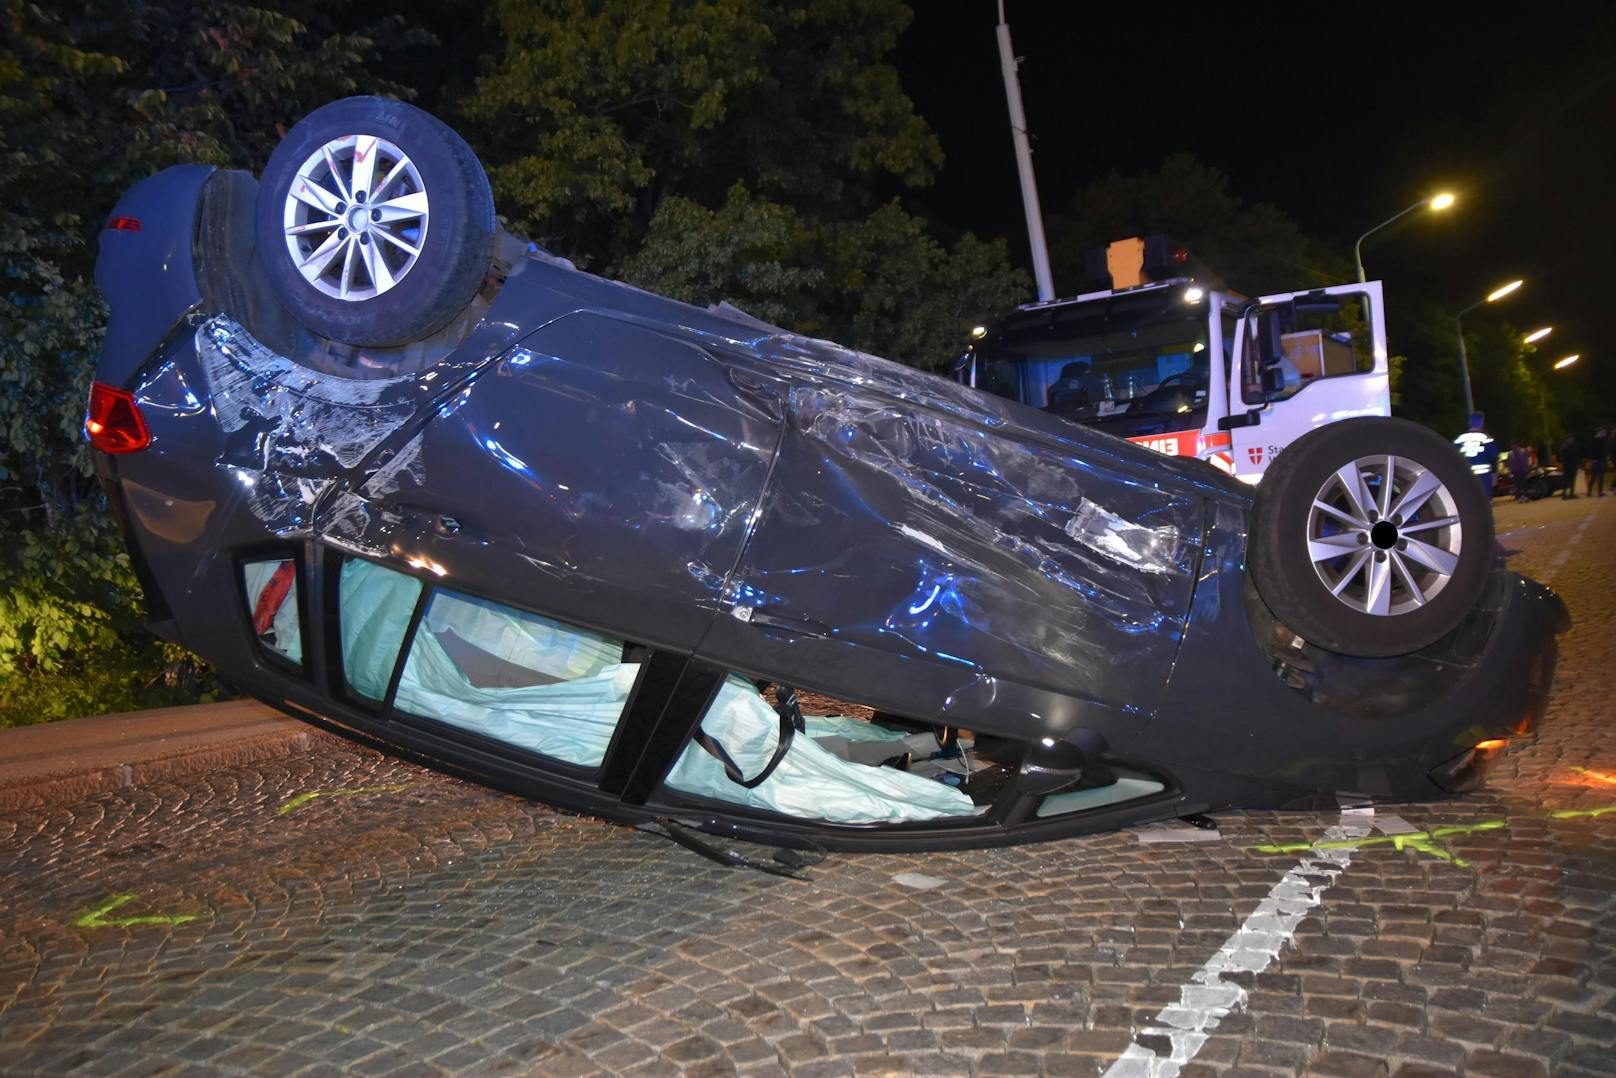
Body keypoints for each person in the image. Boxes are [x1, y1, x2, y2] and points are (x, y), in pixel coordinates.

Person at [1454, 413, 1500, 498]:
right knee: (1484, 501)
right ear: (1482, 423)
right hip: (1483, 476)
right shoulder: (1487, 438)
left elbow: (1453, 457)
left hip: (1465, 475)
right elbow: (1494, 456)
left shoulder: (1459, 439)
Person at [1559, 433, 1583, 499]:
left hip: (1568, 465)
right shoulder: (1573, 446)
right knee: (1571, 480)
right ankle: (1569, 494)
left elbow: (1561, 456)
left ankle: (1566, 494)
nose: (1571, 440)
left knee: (1567, 480)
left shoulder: (1563, 447)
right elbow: (1576, 455)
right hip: (1571, 465)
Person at [1588, 426, 1609, 497]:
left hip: (1600, 460)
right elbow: (1592, 451)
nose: (1605, 433)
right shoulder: (1595, 440)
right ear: (1600, 432)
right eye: (1603, 432)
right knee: (1596, 476)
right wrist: (1592, 460)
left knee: (1599, 476)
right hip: (1597, 460)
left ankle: (1597, 491)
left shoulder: (1601, 440)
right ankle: (1591, 491)